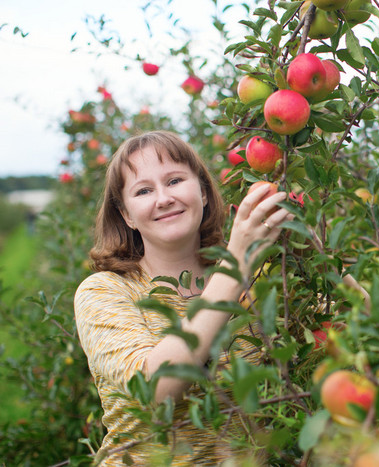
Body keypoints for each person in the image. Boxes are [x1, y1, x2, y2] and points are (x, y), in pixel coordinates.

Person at [74, 130, 292, 465]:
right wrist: (236, 265)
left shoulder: (260, 282)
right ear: (127, 215)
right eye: (144, 190)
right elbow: (155, 390)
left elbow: (362, 324)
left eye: (175, 181)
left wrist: (309, 245)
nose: (163, 198)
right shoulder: (105, 291)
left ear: (203, 192)